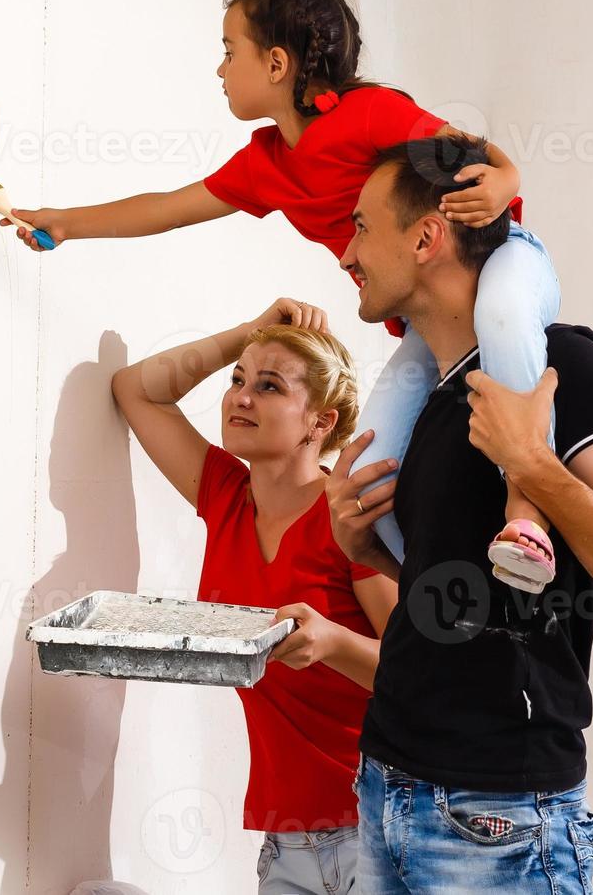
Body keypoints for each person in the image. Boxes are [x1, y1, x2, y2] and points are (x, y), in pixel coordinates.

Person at [2, 0, 561, 590]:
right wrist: (66, 223)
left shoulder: (367, 115)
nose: (219, 70)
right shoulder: (267, 164)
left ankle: (528, 514)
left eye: (227, 50)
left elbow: (474, 154)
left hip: (505, 258)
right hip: (427, 326)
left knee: (503, 315)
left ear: (275, 63)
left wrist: (508, 180)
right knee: (362, 482)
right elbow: (166, 207)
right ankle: (430, 594)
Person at [324, 132, 593, 893]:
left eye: (362, 226)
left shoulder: (567, 366)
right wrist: (376, 556)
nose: (345, 253)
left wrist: (534, 468)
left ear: (427, 237)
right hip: (389, 783)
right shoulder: (432, 399)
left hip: (497, 814)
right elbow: (468, 595)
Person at [112, 296, 398, 894]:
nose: (241, 396)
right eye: (237, 380)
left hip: (381, 824)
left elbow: (423, 676)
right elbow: (135, 389)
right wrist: (248, 333)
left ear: (320, 422)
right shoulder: (223, 494)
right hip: (288, 834)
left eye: (269, 387)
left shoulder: (345, 518)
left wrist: (334, 642)